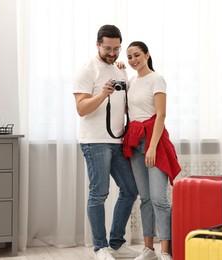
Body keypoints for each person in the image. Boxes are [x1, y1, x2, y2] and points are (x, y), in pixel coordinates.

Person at [73, 25, 139, 260]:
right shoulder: (86, 70)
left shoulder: (119, 69)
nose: (113, 53)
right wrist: (102, 94)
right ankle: (100, 248)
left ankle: (116, 243)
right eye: (108, 48)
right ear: (98, 45)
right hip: (95, 142)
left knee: (131, 189)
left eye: (117, 49)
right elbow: (81, 109)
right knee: (99, 193)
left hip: (118, 141)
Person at [123, 41, 181, 260]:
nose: (133, 60)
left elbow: (161, 115)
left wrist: (153, 147)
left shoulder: (157, 79)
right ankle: (148, 249)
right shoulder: (131, 81)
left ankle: (165, 251)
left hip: (152, 140)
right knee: (145, 198)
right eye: (129, 57)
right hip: (134, 139)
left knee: (159, 198)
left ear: (147, 55)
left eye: (136, 55)